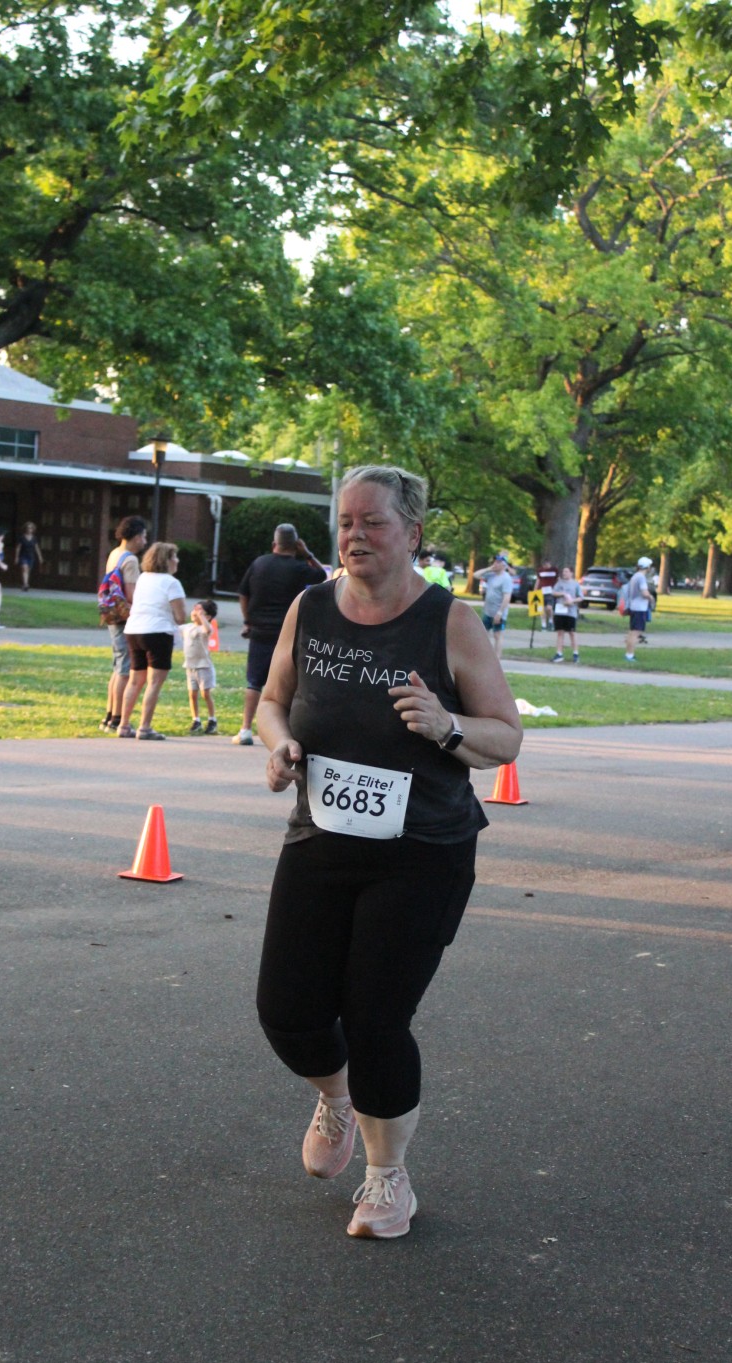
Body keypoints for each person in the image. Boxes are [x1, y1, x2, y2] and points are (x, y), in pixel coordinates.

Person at [255, 464, 522, 1239]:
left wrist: (446, 726)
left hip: (423, 851)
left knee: (376, 1017)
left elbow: (505, 737)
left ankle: (386, 1177)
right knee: (287, 1010)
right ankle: (337, 1097)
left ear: (412, 533)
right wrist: (279, 747)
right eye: (346, 521)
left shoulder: (449, 621)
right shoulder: (310, 607)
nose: (355, 535)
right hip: (320, 838)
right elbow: (272, 702)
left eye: (373, 522)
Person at [233, 523, 325, 745]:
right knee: (289, 685)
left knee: (254, 682)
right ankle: (289, 732)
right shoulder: (299, 567)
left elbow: (243, 593)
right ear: (296, 544)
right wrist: (308, 553)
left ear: (274, 543)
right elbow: (322, 575)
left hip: (259, 630)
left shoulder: (259, 563)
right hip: (288, 633)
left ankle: (245, 729)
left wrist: (247, 620)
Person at [117, 541, 186, 740]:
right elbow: (180, 617)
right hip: (158, 632)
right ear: (166, 560)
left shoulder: (143, 578)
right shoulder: (172, 583)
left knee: (134, 680)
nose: (177, 560)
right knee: (154, 682)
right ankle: (145, 727)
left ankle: (123, 724)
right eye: (174, 557)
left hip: (134, 630)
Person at [100, 517, 148, 732]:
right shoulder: (131, 560)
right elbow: (131, 594)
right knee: (125, 670)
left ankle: (109, 716)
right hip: (124, 617)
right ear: (136, 537)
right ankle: (117, 719)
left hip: (111, 614)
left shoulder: (114, 554)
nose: (145, 541)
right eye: (144, 536)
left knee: (118, 667)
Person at [182, 599, 219, 733]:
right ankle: (196, 720)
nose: (195, 613)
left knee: (205, 693)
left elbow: (208, 629)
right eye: (195, 610)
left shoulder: (203, 629)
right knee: (192, 694)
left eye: (200, 611)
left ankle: (212, 719)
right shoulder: (187, 627)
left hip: (204, 666)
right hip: (190, 667)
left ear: (208, 616)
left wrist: (202, 617)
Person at [472, 554, 514, 659]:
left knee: (497, 635)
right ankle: (483, 657)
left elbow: (507, 597)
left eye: (498, 562)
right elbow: (475, 575)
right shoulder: (491, 575)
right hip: (488, 611)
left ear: (504, 565)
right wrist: (489, 569)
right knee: (483, 634)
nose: (495, 564)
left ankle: (497, 659)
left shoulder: (506, 578)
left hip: (498, 612)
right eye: (495, 561)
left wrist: (500, 613)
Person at [550, 567, 583, 663]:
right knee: (560, 632)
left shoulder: (575, 584)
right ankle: (559, 653)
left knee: (572, 632)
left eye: (566, 571)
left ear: (571, 573)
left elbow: (581, 597)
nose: (564, 573)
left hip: (571, 612)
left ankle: (575, 653)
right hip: (560, 610)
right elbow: (553, 592)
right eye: (563, 571)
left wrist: (572, 601)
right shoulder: (559, 583)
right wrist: (562, 594)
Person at [624, 557, 654, 662]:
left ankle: (629, 654)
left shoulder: (635, 576)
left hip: (633, 606)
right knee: (636, 632)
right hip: (640, 608)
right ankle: (630, 655)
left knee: (632, 631)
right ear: (647, 567)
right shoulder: (641, 578)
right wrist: (651, 597)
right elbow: (644, 593)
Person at [14, 522, 43, 591]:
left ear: (33, 529)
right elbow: (18, 548)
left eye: (31, 528)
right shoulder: (22, 537)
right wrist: (16, 557)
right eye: (28, 528)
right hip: (23, 556)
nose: (29, 529)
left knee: (28, 570)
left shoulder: (34, 538)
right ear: (25, 529)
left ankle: (25, 583)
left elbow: (37, 548)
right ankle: (26, 584)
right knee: (25, 568)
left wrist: (40, 557)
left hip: (31, 556)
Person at [536, 559, 558, 630]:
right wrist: (535, 590)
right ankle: (543, 624)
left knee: (549, 608)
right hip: (541, 591)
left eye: (546, 565)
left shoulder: (554, 570)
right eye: (544, 565)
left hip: (550, 591)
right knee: (541, 609)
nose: (545, 567)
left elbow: (557, 579)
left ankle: (551, 620)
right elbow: (538, 580)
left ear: (549, 564)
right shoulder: (540, 570)